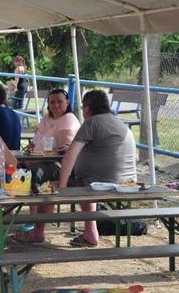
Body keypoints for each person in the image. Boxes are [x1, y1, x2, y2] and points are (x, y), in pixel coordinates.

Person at [57, 89, 137, 248]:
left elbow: (70, 156)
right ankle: (90, 232)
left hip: (101, 183)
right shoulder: (118, 122)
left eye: (83, 107)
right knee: (86, 183)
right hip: (128, 183)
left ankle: (37, 232)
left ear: (87, 108)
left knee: (47, 187)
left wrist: (61, 188)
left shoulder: (92, 122)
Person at [10, 89, 80, 244]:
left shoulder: (68, 120)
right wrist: (26, 155)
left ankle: (37, 229)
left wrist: (33, 160)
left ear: (67, 102)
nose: (55, 105)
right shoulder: (47, 118)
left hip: (56, 166)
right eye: (52, 101)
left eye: (60, 101)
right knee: (11, 170)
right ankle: (29, 218)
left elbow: (64, 153)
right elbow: (34, 142)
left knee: (33, 175)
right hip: (36, 160)